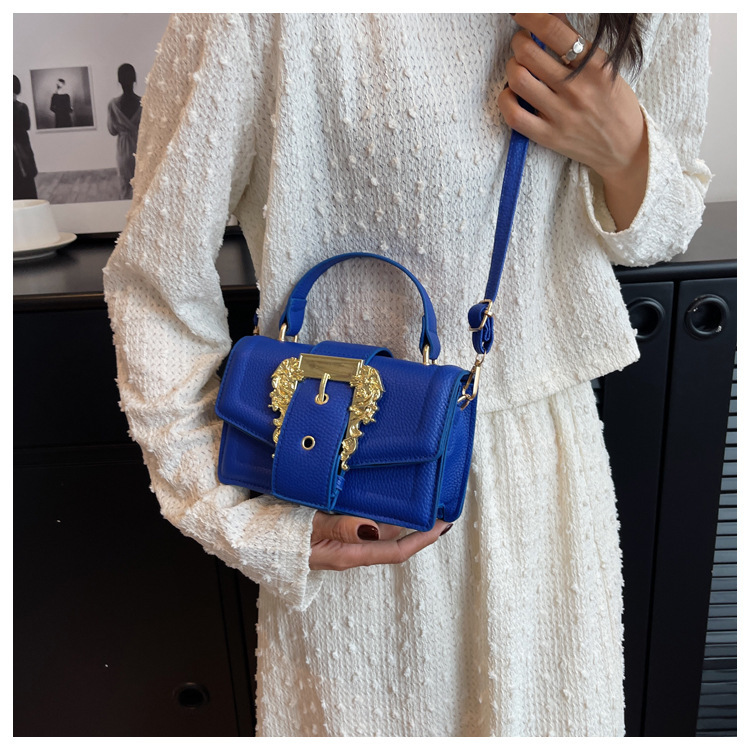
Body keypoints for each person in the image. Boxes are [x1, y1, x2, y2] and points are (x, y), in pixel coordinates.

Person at [103, 13, 712, 737]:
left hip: (550, 496)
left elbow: (664, 227)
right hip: (343, 486)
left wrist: (625, 147)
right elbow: (155, 286)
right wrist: (242, 520)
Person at [107, 63, 142, 200]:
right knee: (141, 184)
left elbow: (112, 130)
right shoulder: (144, 103)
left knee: (125, 185)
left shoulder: (113, 105)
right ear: (134, 80)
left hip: (123, 149)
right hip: (140, 147)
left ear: (119, 81)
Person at [13, 74, 38, 199]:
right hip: (21, 152)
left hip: (19, 154)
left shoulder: (20, 108)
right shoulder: (21, 107)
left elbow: (25, 126)